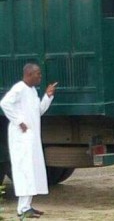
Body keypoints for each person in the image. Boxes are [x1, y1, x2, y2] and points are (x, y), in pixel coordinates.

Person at [0, 63, 57, 219]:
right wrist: (19, 122)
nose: (40, 76)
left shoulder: (32, 91)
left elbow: (38, 111)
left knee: (32, 171)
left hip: (32, 138)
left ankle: (26, 206)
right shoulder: (19, 88)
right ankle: (22, 209)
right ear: (28, 74)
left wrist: (48, 96)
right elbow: (4, 104)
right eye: (37, 74)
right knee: (24, 171)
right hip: (21, 138)